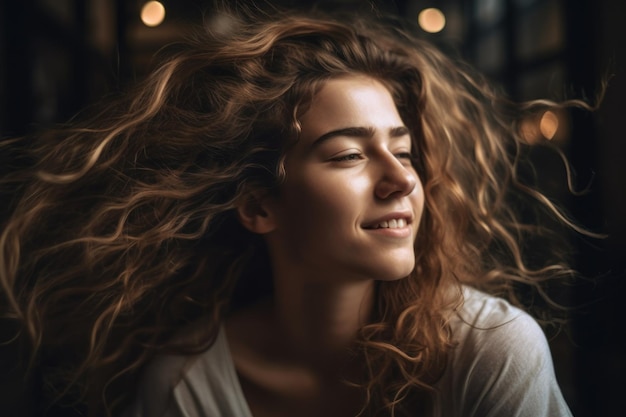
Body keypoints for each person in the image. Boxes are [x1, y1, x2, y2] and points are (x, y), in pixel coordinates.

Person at [0, 6, 588, 417]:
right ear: (259, 206)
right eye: (351, 155)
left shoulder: (492, 352)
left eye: (404, 150)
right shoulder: (186, 385)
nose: (403, 178)